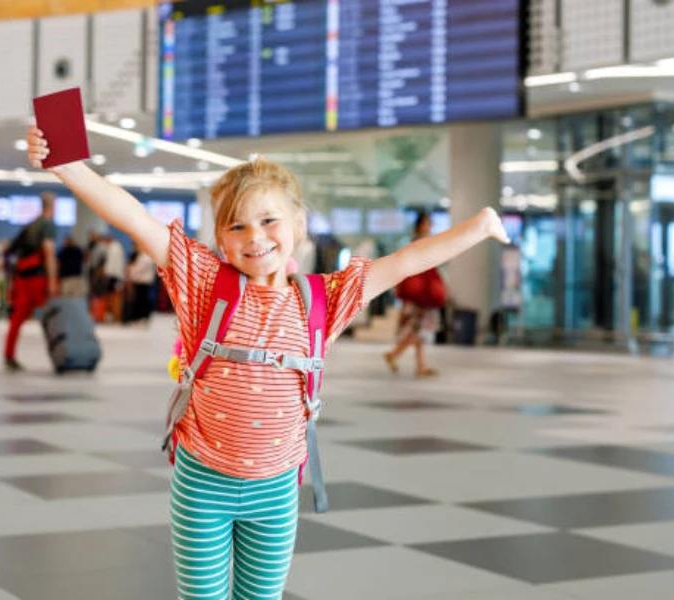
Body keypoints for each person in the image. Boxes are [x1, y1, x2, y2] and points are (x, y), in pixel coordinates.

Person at [26, 126, 508, 600]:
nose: (254, 237)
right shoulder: (203, 282)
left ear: (299, 224)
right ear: (220, 236)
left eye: (269, 221)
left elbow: (404, 262)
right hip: (202, 486)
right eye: (236, 226)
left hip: (276, 492)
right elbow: (133, 218)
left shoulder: (325, 300)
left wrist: (479, 226)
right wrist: (69, 167)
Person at [383, 211, 446, 377]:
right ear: (421, 225)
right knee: (419, 330)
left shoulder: (416, 243)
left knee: (419, 331)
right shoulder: (422, 243)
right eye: (428, 223)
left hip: (421, 294)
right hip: (423, 295)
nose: (430, 226)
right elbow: (423, 271)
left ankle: (420, 366)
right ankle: (395, 354)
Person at [3, 191, 58, 371]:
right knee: (50, 317)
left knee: (18, 318)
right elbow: (48, 253)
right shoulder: (47, 225)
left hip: (22, 277)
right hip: (37, 278)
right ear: (52, 206)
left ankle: (9, 354)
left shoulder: (30, 225)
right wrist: (52, 281)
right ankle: (62, 353)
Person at [123, 243, 155, 324]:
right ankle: (141, 316)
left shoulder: (145, 257)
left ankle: (143, 316)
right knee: (141, 300)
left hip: (143, 281)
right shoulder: (142, 256)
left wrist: (130, 268)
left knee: (142, 300)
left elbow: (137, 269)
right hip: (140, 281)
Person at [101, 232, 126, 322]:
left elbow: (112, 264)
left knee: (115, 297)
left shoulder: (114, 248)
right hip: (115, 275)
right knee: (113, 297)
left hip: (114, 276)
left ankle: (116, 316)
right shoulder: (114, 247)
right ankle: (114, 315)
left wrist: (105, 272)